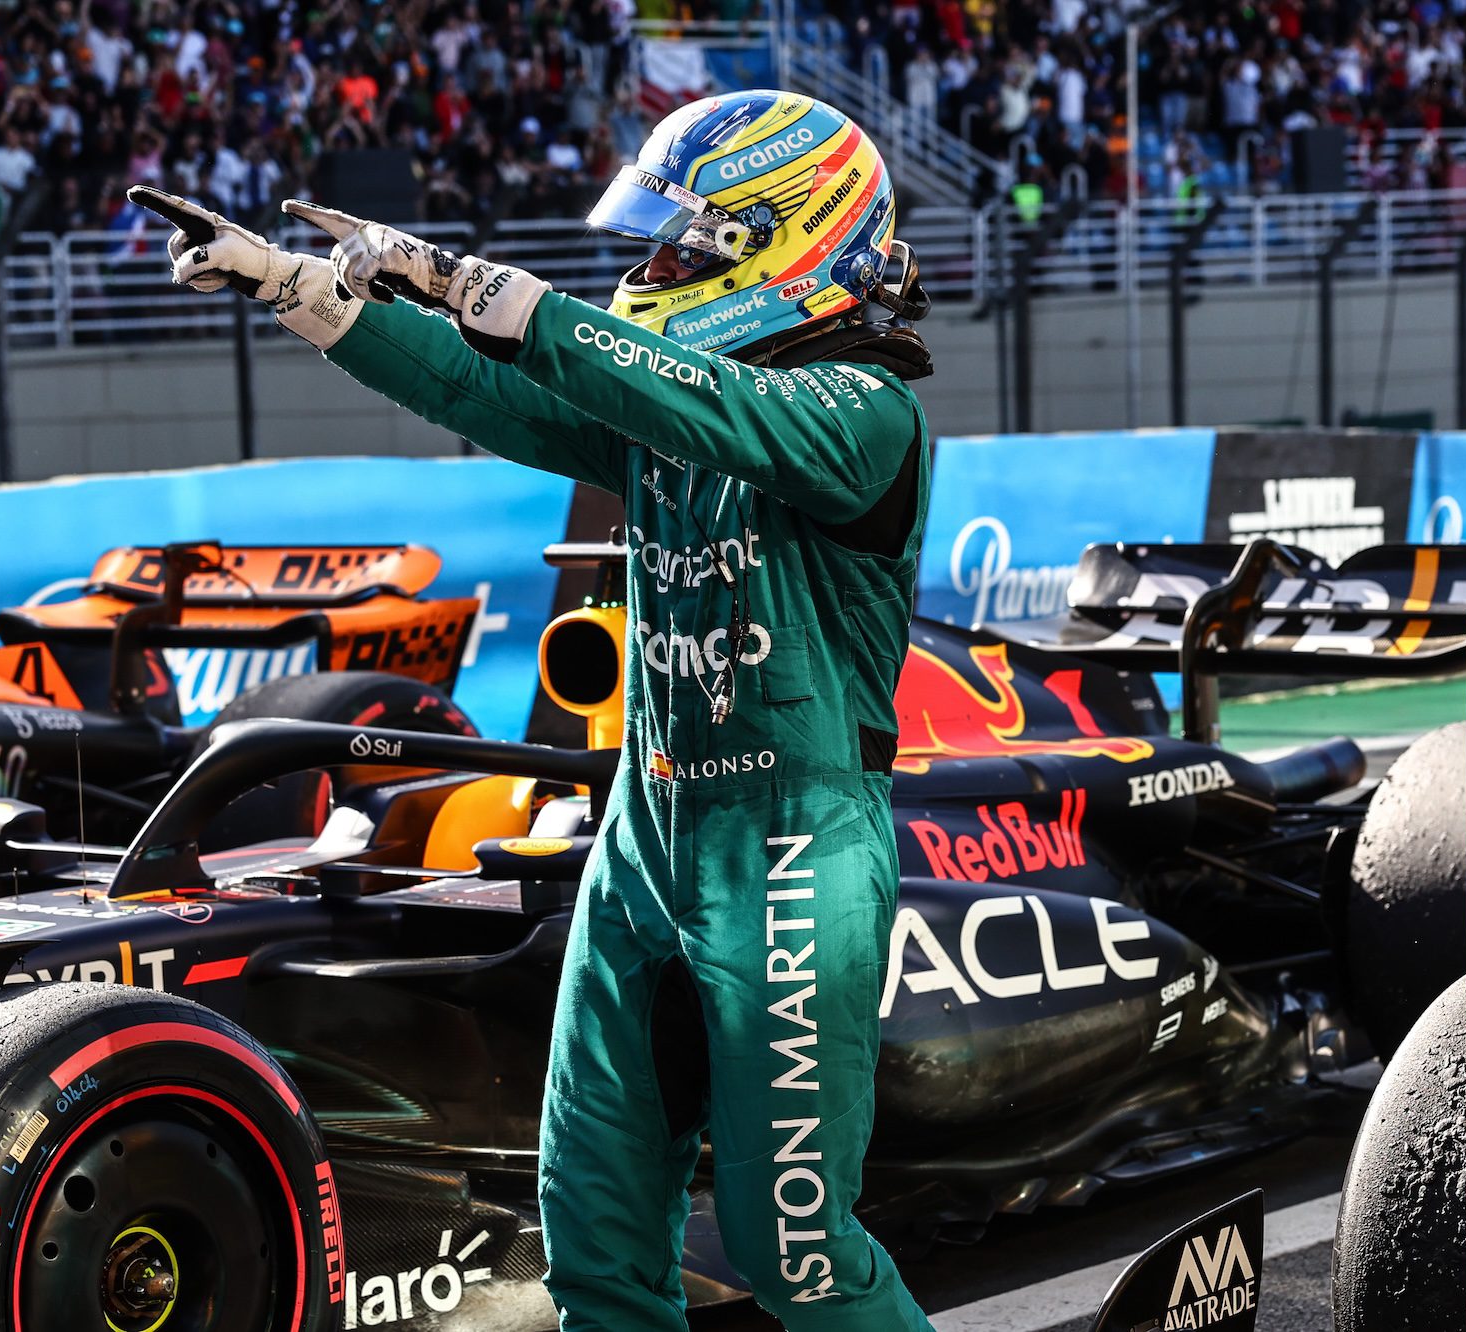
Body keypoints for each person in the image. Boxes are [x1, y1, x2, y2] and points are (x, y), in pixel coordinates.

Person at [140, 89, 938, 1332]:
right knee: (596, 1241)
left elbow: (703, 404)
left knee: (795, 1251)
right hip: (647, 835)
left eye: (681, 249)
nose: (651, 271)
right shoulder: (676, 407)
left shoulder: (867, 411)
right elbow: (492, 394)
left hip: (794, 851)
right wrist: (305, 293)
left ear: (787, 243)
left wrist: (489, 292)